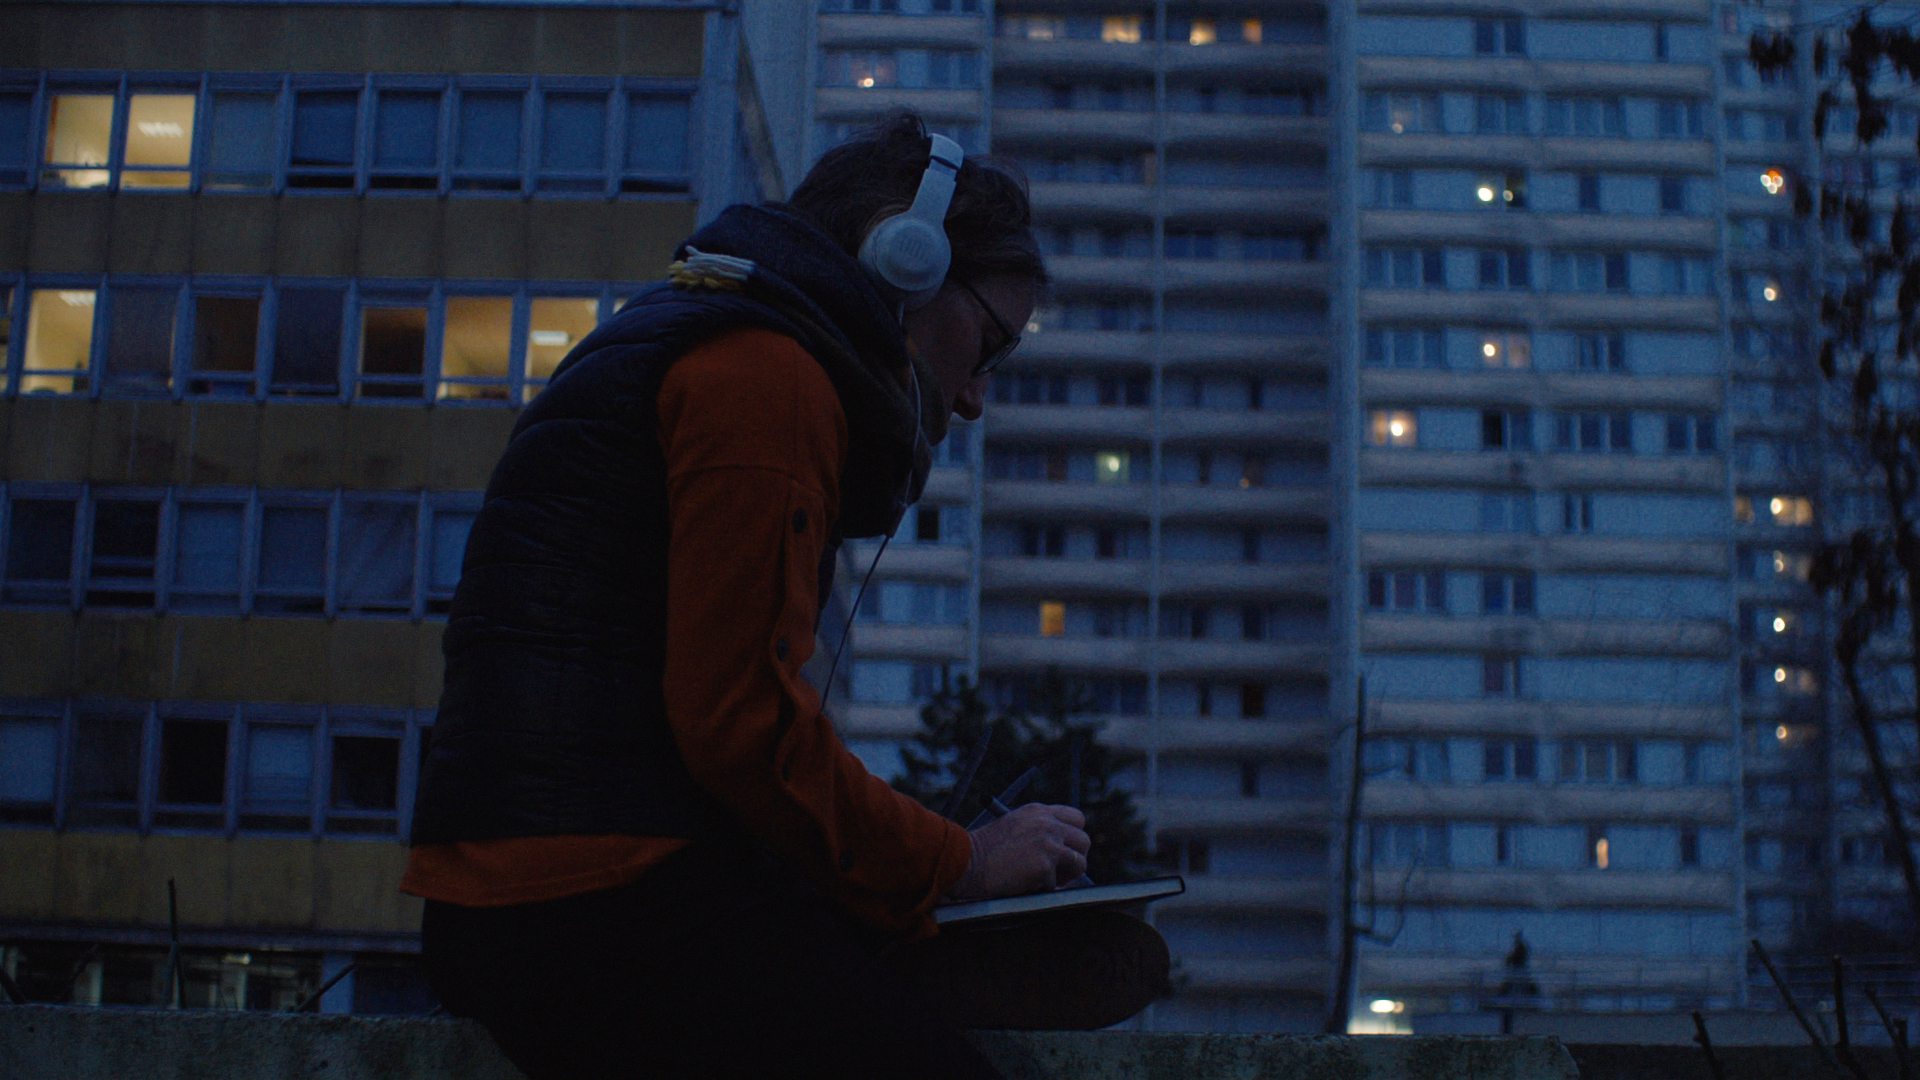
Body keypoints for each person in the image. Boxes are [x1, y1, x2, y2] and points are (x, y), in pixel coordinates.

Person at [401, 113, 1086, 1079]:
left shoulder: (694, 339)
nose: (973, 397)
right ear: (909, 261)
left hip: (543, 889)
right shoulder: (766, 378)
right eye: (989, 345)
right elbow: (741, 725)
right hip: (600, 897)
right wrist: (962, 862)